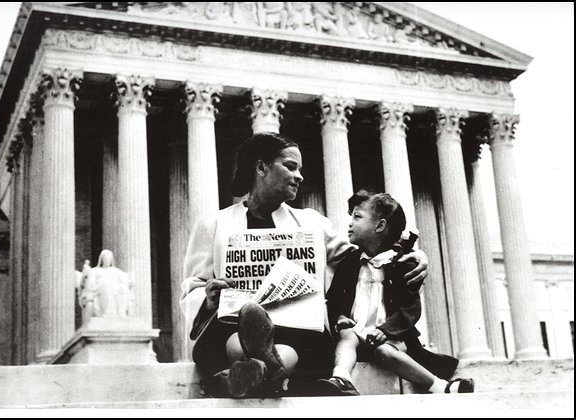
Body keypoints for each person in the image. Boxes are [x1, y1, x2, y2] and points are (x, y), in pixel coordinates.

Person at [179, 132, 429, 398]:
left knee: (302, 344)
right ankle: (267, 369)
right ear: (261, 167)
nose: (299, 176)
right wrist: (208, 298)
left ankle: (251, 374)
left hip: (297, 329)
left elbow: (361, 256)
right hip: (234, 325)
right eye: (290, 166)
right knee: (237, 335)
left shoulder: (312, 223)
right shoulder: (214, 225)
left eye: (300, 169)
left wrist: (411, 253)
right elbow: (193, 288)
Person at [317, 190, 474, 396]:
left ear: (380, 226)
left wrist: (387, 331)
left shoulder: (402, 264)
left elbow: (410, 307)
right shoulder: (348, 263)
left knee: (385, 352)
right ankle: (341, 377)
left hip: (392, 337)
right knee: (347, 337)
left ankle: (440, 386)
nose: (350, 223)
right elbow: (335, 297)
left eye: (357, 217)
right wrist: (340, 317)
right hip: (356, 333)